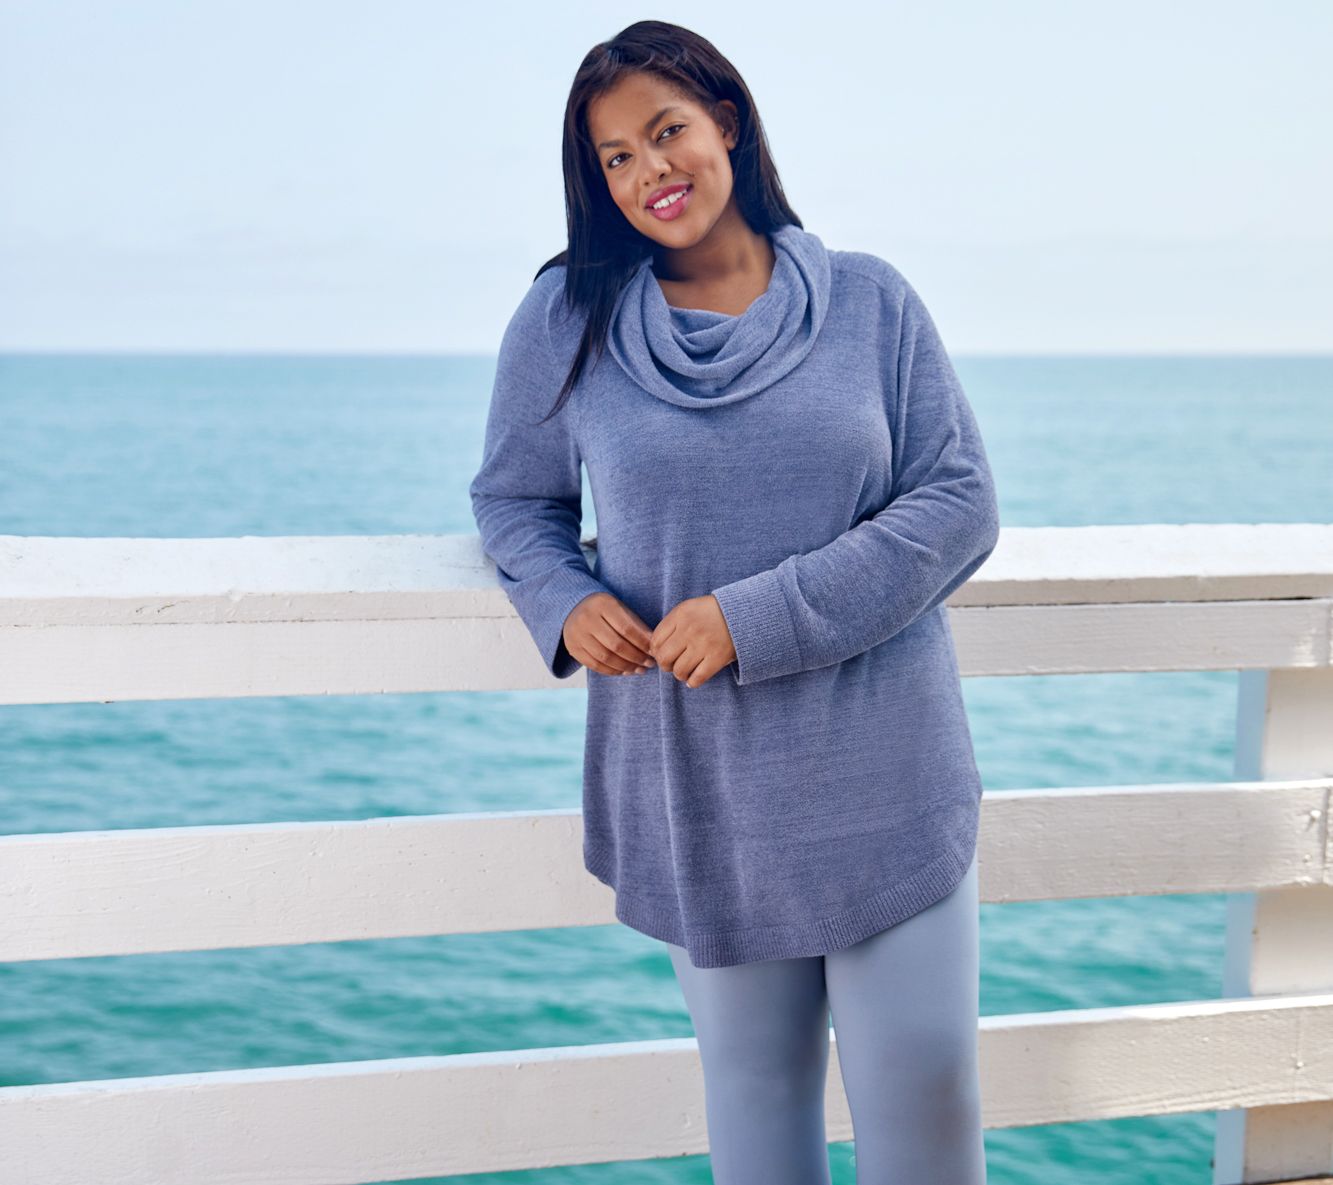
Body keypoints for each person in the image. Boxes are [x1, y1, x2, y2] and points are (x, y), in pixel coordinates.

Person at [469, 19, 999, 1184]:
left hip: (885, 770)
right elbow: (514, 500)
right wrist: (562, 598)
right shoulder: (566, 320)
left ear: (728, 122)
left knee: (924, 1089)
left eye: (666, 132)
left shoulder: (871, 303)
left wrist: (754, 618)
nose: (648, 172)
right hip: (696, 783)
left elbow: (958, 502)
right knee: (756, 1102)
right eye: (615, 157)